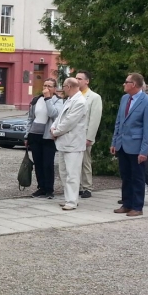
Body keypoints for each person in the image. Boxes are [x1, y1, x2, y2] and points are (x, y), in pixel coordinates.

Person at [111, 72, 148, 217]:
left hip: (136, 146)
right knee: (126, 176)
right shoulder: (125, 98)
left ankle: (137, 206)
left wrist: (144, 151)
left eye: (126, 82)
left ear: (134, 84)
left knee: (137, 177)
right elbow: (119, 122)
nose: (124, 84)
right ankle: (127, 204)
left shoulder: (147, 102)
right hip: (122, 144)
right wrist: (114, 141)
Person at [50, 77, 88, 211]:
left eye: (64, 87)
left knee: (72, 174)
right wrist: (53, 127)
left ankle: (72, 201)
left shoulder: (80, 101)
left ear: (69, 87)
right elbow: (60, 117)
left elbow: (70, 121)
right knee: (64, 173)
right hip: (63, 142)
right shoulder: (69, 100)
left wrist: (56, 132)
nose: (63, 89)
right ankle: (69, 198)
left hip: (73, 143)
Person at [25, 79, 60, 198]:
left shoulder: (58, 101)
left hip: (48, 136)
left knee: (48, 163)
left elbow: (53, 114)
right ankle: (41, 187)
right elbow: (30, 118)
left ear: (55, 89)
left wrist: (48, 98)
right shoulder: (36, 100)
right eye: (45, 85)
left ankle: (49, 189)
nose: (46, 88)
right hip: (35, 134)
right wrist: (27, 135)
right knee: (38, 163)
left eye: (50, 86)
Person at [76, 70, 103, 199]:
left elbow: (94, 119)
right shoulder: (74, 95)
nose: (77, 81)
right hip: (74, 135)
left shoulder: (94, 97)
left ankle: (87, 187)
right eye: (76, 78)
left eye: (80, 79)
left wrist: (90, 137)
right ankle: (78, 186)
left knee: (85, 162)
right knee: (75, 162)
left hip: (85, 134)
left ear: (87, 81)